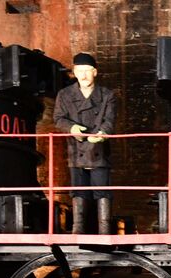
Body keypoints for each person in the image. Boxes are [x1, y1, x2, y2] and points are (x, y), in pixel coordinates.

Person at [53, 52, 117, 234]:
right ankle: (78, 230)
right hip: (76, 150)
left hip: (99, 150)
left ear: (95, 72)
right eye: (79, 71)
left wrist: (103, 133)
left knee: (102, 190)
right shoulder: (64, 95)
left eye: (88, 71)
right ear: (74, 72)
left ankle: (104, 231)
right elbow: (58, 119)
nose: (83, 75)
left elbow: (109, 120)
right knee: (79, 191)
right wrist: (72, 128)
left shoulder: (107, 95)